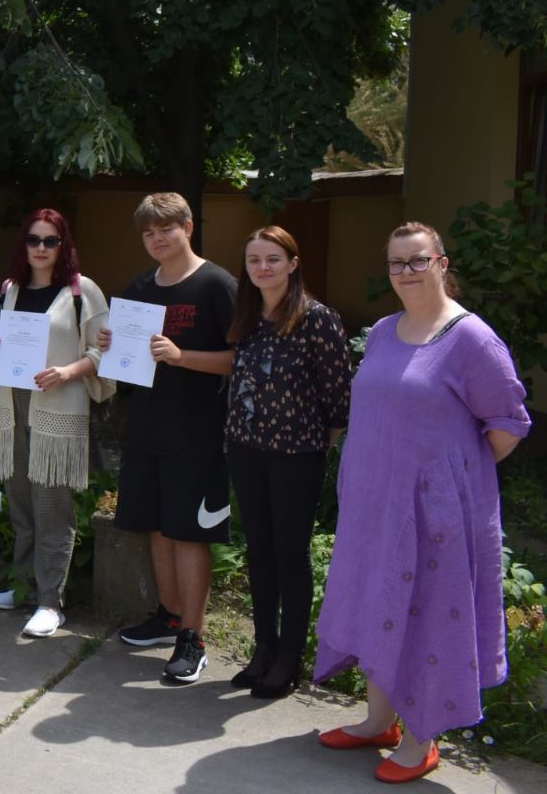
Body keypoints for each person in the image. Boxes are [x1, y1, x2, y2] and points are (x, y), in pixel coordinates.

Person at [314, 223, 530, 784]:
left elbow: (507, 424)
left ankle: (420, 740)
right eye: (396, 262)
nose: (406, 272)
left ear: (441, 263)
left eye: (418, 260)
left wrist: (452, 479)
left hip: (437, 514)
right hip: (374, 506)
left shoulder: (471, 338)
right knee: (379, 602)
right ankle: (378, 722)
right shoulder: (384, 331)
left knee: (426, 613)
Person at [106, 192, 237, 685]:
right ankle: (169, 617)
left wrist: (183, 357)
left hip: (198, 434)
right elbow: (127, 358)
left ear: (188, 227)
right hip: (146, 428)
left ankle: (193, 638)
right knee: (157, 528)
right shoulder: (139, 287)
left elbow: (240, 358)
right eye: (148, 232)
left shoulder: (217, 284)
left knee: (189, 533)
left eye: (166, 228)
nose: (157, 238)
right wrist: (110, 344)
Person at [222, 226, 351, 696]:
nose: (263, 268)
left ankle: (288, 657)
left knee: (290, 554)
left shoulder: (318, 319)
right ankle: (263, 648)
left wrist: (314, 442)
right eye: (254, 260)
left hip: (297, 456)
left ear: (293, 264)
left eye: (273, 259)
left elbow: (338, 397)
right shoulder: (247, 316)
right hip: (246, 449)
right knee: (259, 551)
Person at [0, 209, 112, 635]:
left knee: (53, 505)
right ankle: (24, 587)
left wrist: (69, 372)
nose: (41, 248)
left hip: (58, 407)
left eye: (50, 241)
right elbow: (9, 343)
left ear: (63, 245)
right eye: (33, 240)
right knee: (21, 502)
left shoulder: (81, 291)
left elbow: (102, 351)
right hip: (13, 405)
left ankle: (50, 602)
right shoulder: (11, 289)